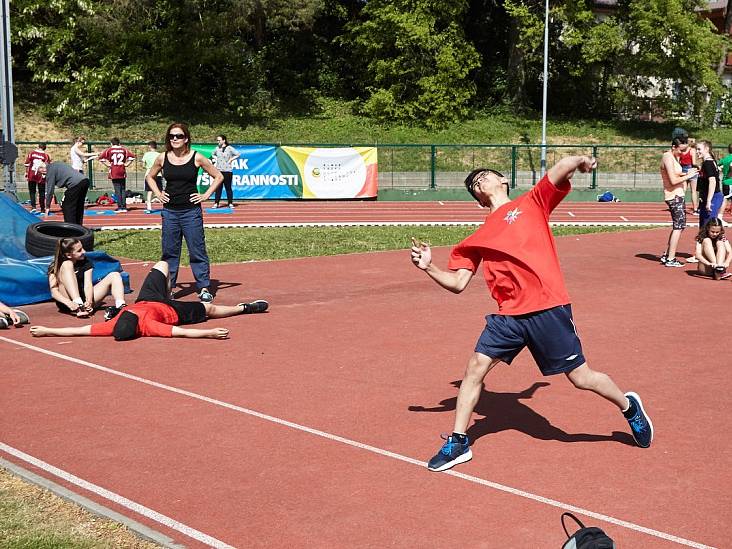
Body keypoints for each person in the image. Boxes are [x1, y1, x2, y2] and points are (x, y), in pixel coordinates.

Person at [410, 156, 654, 473]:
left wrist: (580, 161)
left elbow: (556, 171)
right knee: (475, 368)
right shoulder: (476, 238)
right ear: (477, 198)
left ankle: (628, 405)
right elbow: (457, 283)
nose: (479, 181)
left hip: (547, 308)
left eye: (484, 175)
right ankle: (459, 441)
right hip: (509, 316)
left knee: (581, 378)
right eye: (474, 184)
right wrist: (429, 266)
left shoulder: (532, 203)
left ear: (503, 181)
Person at [30, 260, 268, 340]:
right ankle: (244, 308)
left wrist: (47, 330)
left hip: (148, 298)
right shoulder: (149, 327)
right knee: (210, 308)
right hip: (172, 311)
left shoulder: (114, 324)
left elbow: (79, 330)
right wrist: (209, 333)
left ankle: (168, 290)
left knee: (162, 264)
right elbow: (183, 333)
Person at [145, 122, 223, 303]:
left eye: (179, 136)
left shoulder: (197, 157)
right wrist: (158, 194)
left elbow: (218, 176)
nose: (174, 139)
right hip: (170, 212)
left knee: (197, 250)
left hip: (191, 212)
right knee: (169, 252)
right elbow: (150, 176)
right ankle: (169, 289)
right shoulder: (162, 158)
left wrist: (206, 195)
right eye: (171, 136)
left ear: (186, 138)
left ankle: (203, 287)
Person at [47, 237, 127, 320]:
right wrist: (69, 303)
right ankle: (78, 304)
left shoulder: (86, 262)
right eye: (79, 250)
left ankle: (120, 306)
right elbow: (54, 292)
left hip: (84, 298)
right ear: (68, 255)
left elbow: (88, 284)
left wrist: (89, 301)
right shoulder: (55, 266)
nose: (84, 252)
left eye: (82, 248)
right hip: (67, 301)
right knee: (67, 264)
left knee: (115, 275)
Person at [660, 137, 698, 268]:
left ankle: (668, 255)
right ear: (673, 147)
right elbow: (672, 180)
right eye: (681, 150)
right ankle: (670, 258)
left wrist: (687, 172)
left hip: (678, 195)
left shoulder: (674, 157)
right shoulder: (667, 157)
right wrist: (689, 175)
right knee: (679, 226)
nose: (682, 153)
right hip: (673, 196)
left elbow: (677, 175)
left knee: (679, 226)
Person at [37, 161, 91, 225]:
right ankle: (79, 227)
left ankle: (71, 229)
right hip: (85, 181)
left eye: (40, 172)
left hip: (75, 184)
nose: (42, 175)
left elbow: (50, 191)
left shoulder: (50, 171)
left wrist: (47, 207)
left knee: (67, 206)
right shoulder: (56, 164)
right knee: (78, 205)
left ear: (42, 168)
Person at [98, 137, 136, 212]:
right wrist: (127, 164)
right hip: (122, 170)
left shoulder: (109, 150)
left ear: (111, 143)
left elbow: (101, 158)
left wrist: (108, 165)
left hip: (114, 170)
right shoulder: (124, 149)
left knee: (117, 189)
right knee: (122, 189)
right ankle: (124, 207)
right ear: (119, 143)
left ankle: (120, 207)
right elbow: (132, 157)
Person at [695, 140, 724, 231]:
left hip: (713, 197)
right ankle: (701, 245)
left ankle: (719, 244)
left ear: (706, 149)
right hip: (707, 197)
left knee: (709, 228)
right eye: (696, 149)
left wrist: (708, 201)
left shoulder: (708, 163)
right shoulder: (707, 162)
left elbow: (713, 181)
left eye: (699, 149)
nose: (697, 151)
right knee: (703, 229)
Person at [211, 134, 240, 209]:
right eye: (217, 140)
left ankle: (230, 203)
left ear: (224, 140)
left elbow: (238, 154)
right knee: (218, 188)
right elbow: (212, 154)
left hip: (228, 171)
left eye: (219, 140)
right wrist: (216, 158)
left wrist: (231, 159)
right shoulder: (217, 148)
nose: (218, 141)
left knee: (228, 188)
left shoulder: (229, 148)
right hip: (219, 171)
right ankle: (216, 203)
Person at [23, 143, 51, 214]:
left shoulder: (31, 153)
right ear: (45, 148)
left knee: (32, 191)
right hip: (41, 176)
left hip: (32, 174)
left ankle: (33, 207)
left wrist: (26, 172)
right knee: (41, 192)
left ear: (38, 147)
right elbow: (48, 166)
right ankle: (42, 209)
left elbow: (27, 164)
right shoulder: (46, 156)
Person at [142, 141, 163, 212]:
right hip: (158, 173)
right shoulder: (159, 154)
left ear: (150, 146)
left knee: (149, 191)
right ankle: (165, 205)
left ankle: (149, 206)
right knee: (160, 190)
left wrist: (148, 167)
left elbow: (143, 165)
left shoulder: (146, 154)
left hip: (149, 173)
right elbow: (162, 165)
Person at [679, 137, 699, 214]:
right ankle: (695, 209)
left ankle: (681, 207)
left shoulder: (680, 150)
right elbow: (693, 163)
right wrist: (698, 166)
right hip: (691, 169)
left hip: (683, 169)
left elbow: (678, 161)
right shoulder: (692, 150)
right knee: (693, 191)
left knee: (683, 190)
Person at [719, 144, 732, 217]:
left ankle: (720, 216)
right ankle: (720, 216)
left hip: (725, 181)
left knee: (726, 198)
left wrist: (722, 169)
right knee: (726, 199)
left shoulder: (725, 159)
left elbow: (717, 165)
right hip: (730, 182)